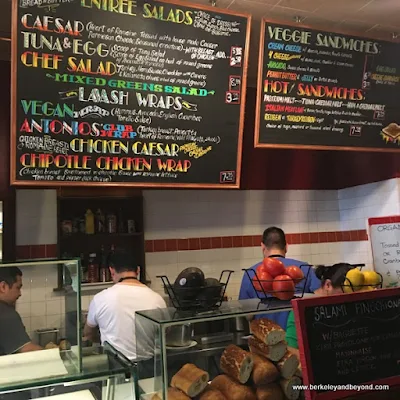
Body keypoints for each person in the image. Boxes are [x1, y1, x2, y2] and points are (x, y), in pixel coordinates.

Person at [84, 250, 166, 360]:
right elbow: (165, 333)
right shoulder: (157, 299)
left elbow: (88, 333)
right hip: (149, 368)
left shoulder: (100, 299)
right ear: (138, 270)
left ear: (112, 271)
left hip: (116, 367)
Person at [239, 226, 320, 329]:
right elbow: (319, 301)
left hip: (268, 337)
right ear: (286, 247)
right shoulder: (303, 268)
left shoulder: (251, 273)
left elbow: (247, 316)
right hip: (299, 336)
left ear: (263, 247)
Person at [286, 263, 352, 357]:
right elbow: (291, 349)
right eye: (345, 293)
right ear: (328, 285)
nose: (349, 299)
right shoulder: (304, 308)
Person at [0, 267, 42, 355]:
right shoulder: (6, 315)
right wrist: (56, 353)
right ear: (3, 287)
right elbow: (28, 350)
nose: (20, 294)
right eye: (17, 288)